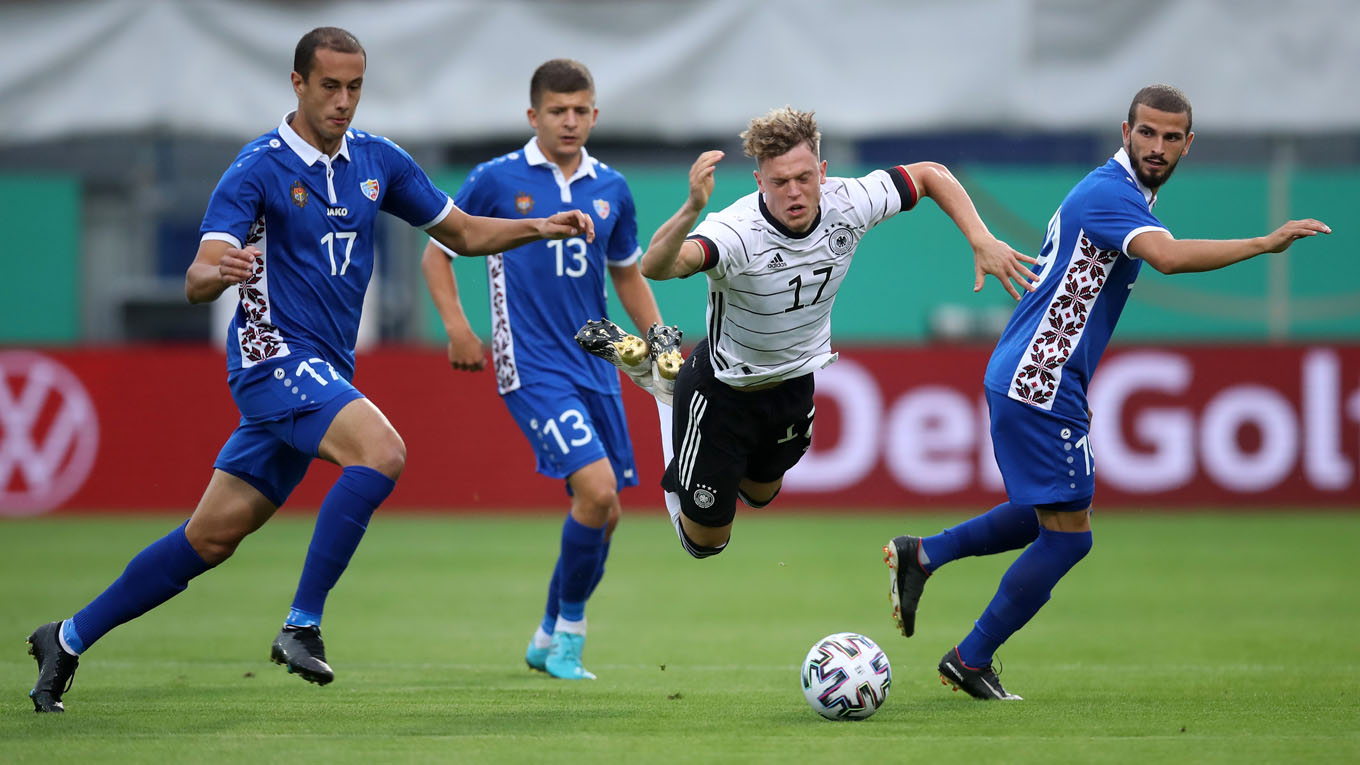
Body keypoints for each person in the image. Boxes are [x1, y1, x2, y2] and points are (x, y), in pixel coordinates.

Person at [25, 27, 593, 713]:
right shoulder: (257, 168)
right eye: (330, 86)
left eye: (355, 87)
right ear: (298, 83)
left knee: (210, 537)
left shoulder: (378, 160)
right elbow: (199, 274)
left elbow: (465, 233)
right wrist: (217, 272)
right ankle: (301, 624)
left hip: (321, 370)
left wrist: (541, 226)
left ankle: (66, 637)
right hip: (271, 359)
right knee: (382, 452)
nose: (343, 101)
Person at [884, 84, 1331, 701]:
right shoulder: (1109, 193)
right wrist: (1264, 242)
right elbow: (1168, 258)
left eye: (1170, 137)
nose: (1157, 146)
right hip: (1039, 378)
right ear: (1126, 133)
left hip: (1040, 376)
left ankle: (924, 555)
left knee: (1048, 512)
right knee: (1070, 535)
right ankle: (969, 657)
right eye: (1146, 132)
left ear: (1188, 144)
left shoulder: (1124, 194)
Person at [636, 106, 1038, 560]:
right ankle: (666, 392)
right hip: (723, 391)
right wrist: (692, 208)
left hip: (792, 383)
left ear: (823, 172)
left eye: (804, 178)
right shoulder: (735, 232)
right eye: (779, 182)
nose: (794, 192)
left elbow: (930, 174)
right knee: (706, 544)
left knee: (761, 495)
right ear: (759, 182)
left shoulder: (849, 201)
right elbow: (657, 266)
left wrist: (981, 238)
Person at [421, 59, 667, 681]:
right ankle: (570, 641)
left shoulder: (611, 187)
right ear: (533, 116)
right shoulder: (495, 179)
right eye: (558, 111)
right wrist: (458, 327)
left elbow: (626, 274)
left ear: (595, 114)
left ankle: (545, 634)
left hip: (597, 362)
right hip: (530, 364)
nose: (570, 121)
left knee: (606, 511)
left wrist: (659, 340)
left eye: (581, 110)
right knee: (598, 491)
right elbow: (436, 255)